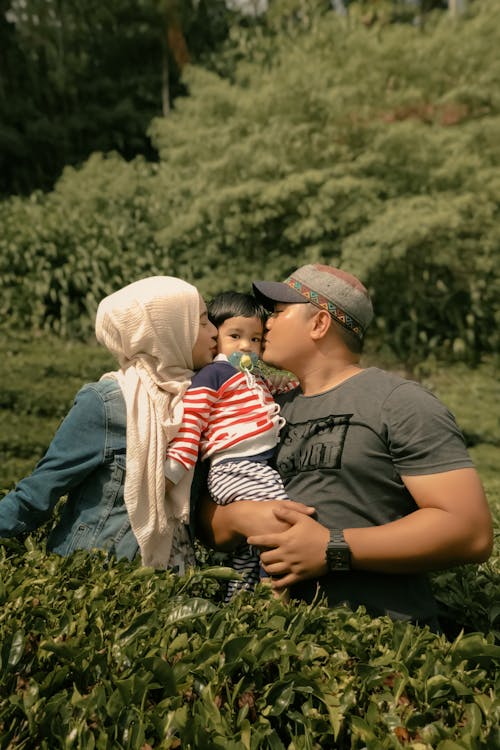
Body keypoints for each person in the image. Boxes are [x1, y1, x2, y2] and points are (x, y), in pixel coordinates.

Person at [198, 264, 494, 627]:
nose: (266, 323)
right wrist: (238, 517)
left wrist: (333, 547)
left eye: (278, 312)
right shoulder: (265, 408)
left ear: (319, 324)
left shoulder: (400, 403)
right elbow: (205, 522)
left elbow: (470, 532)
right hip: (267, 648)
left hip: (380, 652)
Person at [0, 276, 218, 572]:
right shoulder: (107, 404)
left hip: (174, 584)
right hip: (97, 582)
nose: (215, 332)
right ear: (169, 329)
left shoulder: (201, 401)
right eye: (203, 322)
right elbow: (36, 495)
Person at [165, 291, 296, 597]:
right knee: (281, 521)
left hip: (255, 468)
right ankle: (275, 598)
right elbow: (192, 422)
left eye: (255, 339)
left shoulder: (255, 376)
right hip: (235, 468)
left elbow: (291, 381)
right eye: (235, 336)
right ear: (216, 337)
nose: (245, 346)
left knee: (249, 550)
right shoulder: (214, 374)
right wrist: (176, 464)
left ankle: (238, 599)